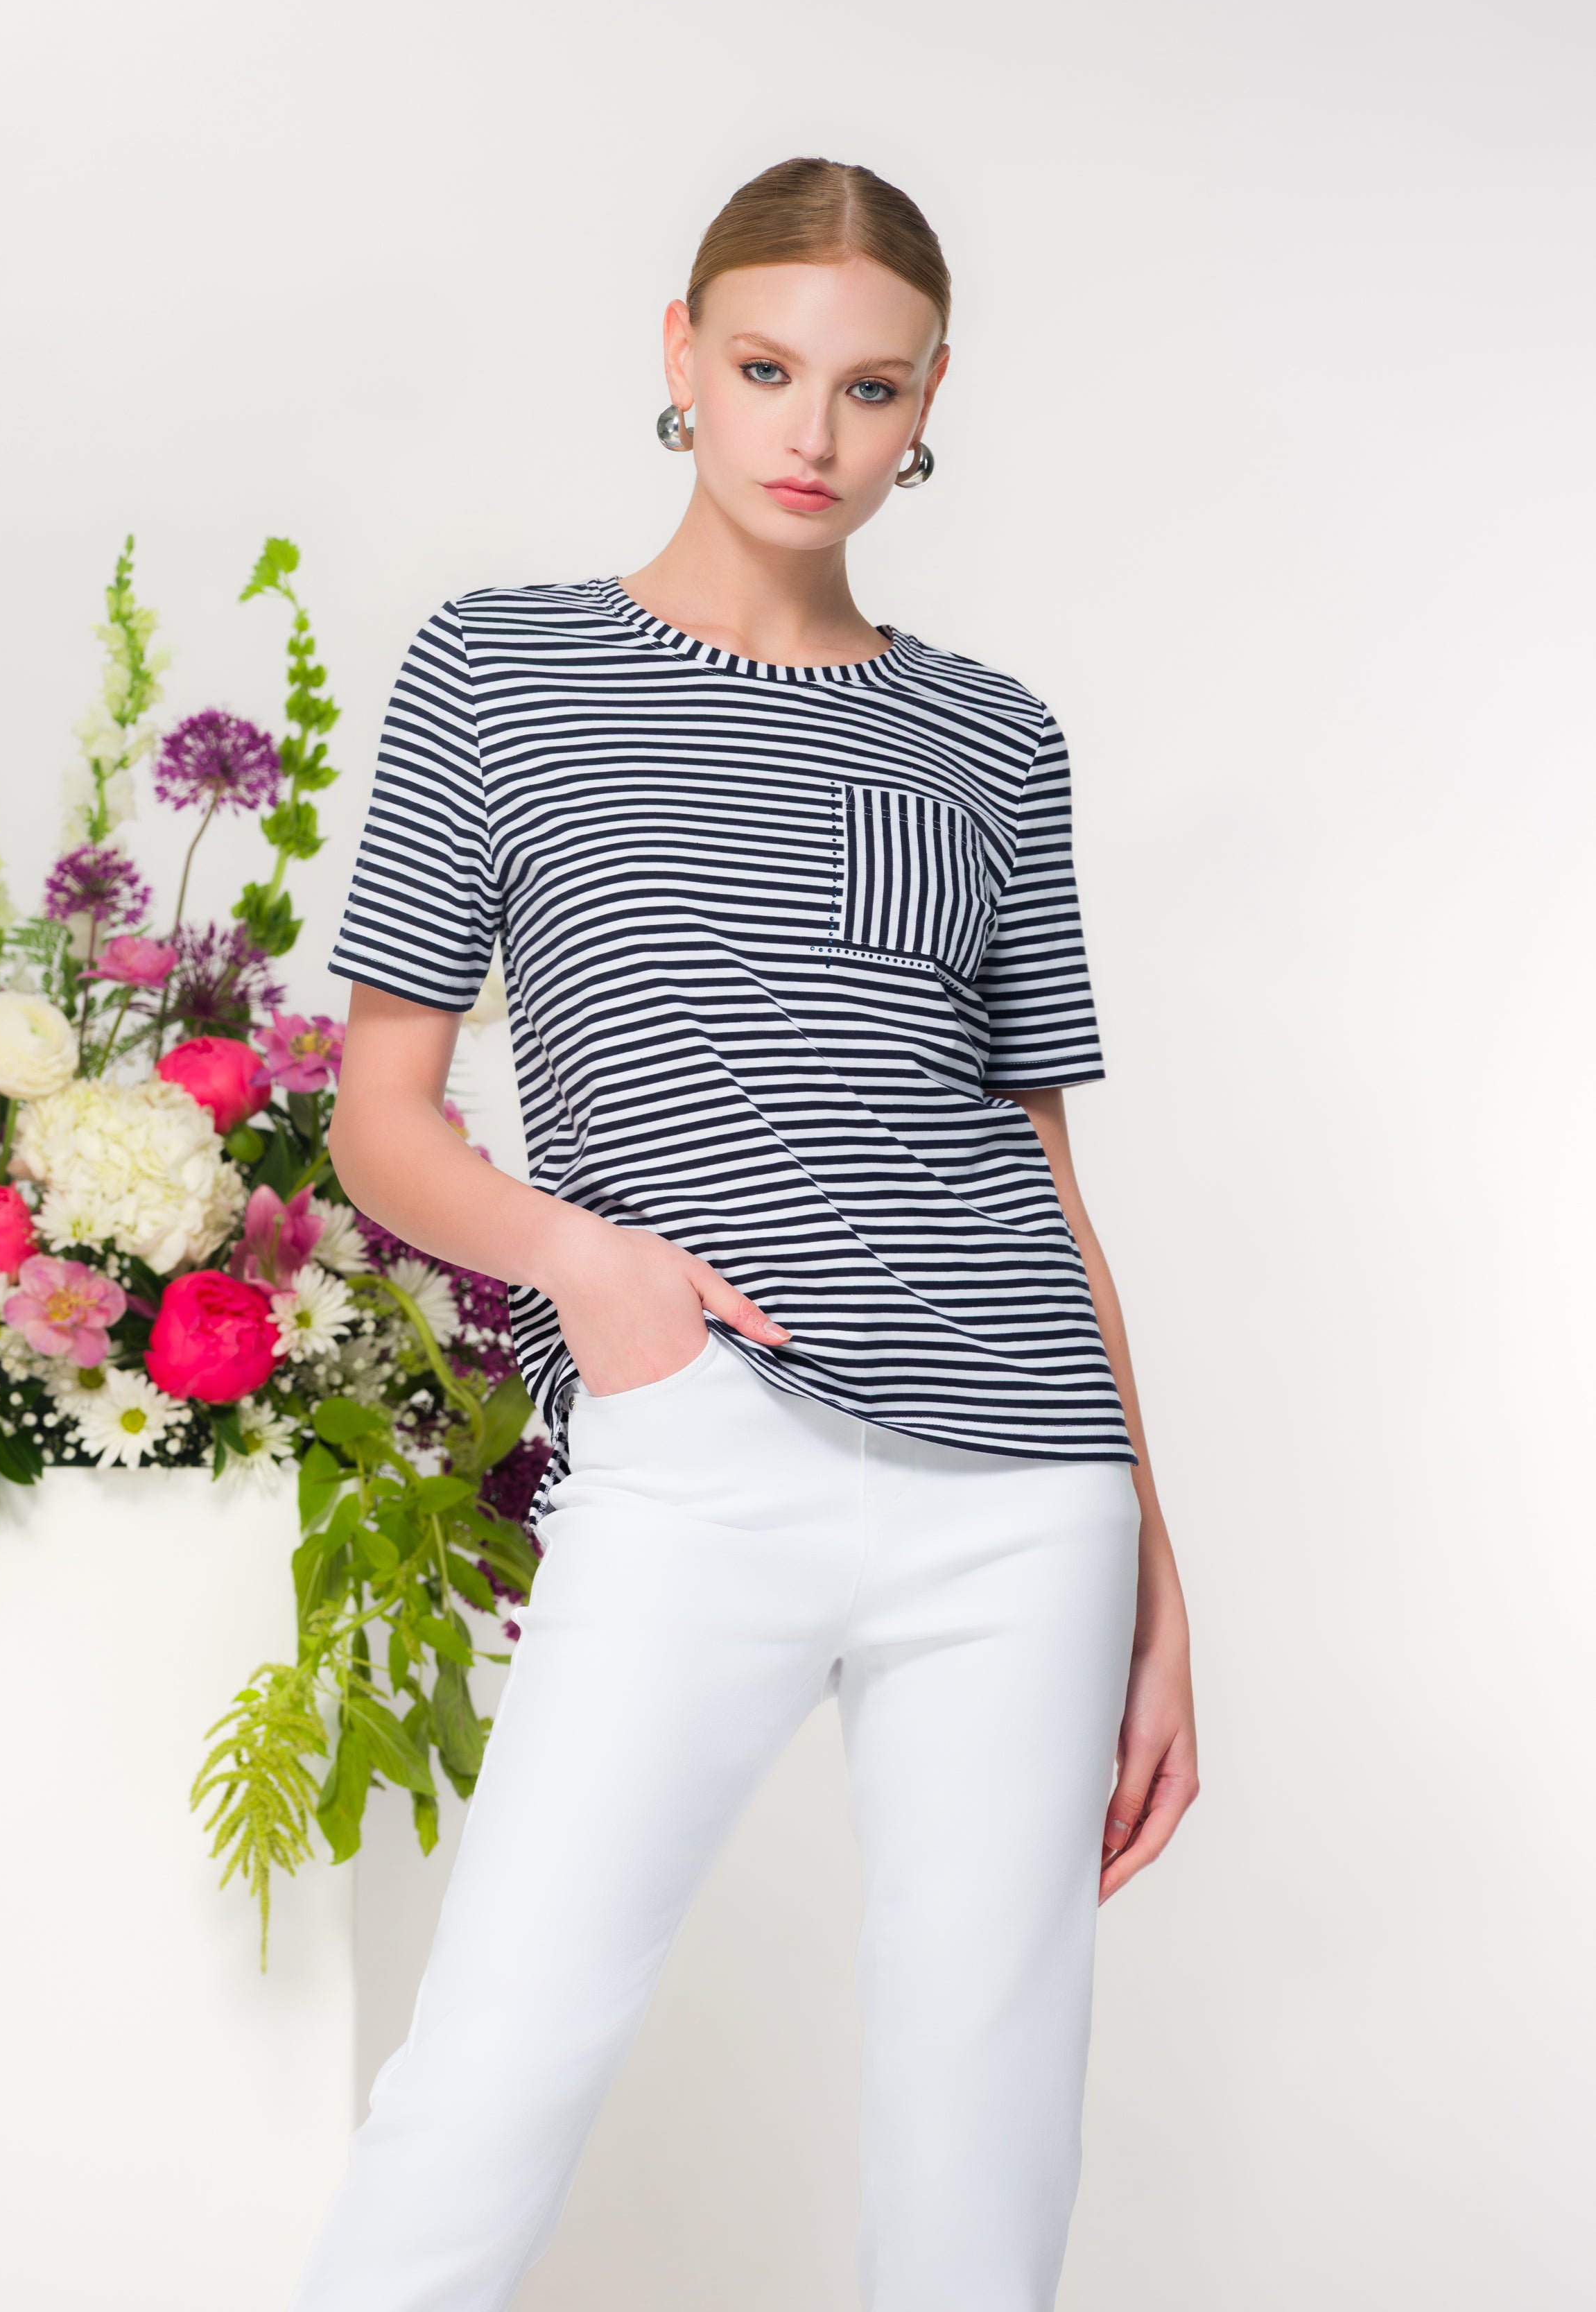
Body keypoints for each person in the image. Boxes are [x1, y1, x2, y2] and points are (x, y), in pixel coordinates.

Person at [295, 155, 1199, 2312]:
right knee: (492, 2075)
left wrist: (1156, 1575)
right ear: (678, 361)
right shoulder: (501, 668)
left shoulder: (993, 735)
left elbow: (1037, 1165)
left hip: (1024, 1486)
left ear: (928, 402)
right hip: (702, 1441)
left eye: (868, 388)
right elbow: (379, 1124)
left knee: (986, 2135)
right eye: (768, 367)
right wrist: (588, 1270)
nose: (812, 431)